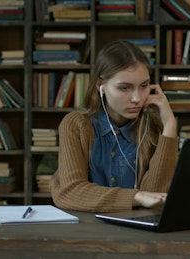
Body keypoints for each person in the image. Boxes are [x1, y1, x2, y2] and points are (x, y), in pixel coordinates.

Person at [50, 40, 179, 213]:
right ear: (100, 86)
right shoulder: (76, 125)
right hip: (87, 231)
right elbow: (70, 192)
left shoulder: (154, 128)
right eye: (124, 88)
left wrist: (170, 125)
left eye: (144, 86)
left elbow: (156, 197)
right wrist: (137, 197)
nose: (137, 98)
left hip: (139, 232)